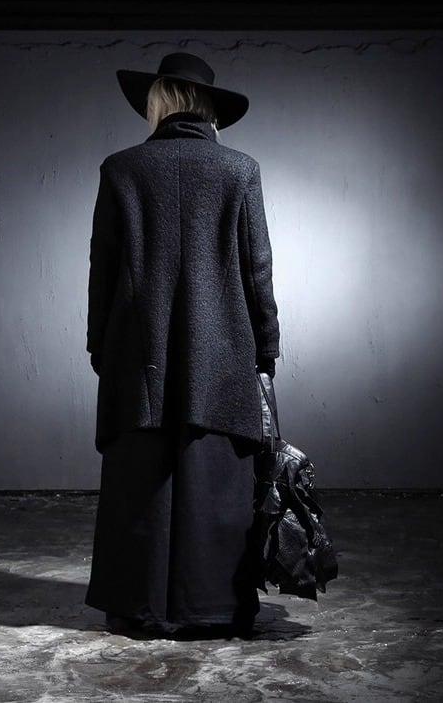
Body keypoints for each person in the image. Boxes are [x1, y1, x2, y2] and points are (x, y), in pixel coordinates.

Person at [85, 52, 279, 638]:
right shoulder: (240, 170)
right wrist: (266, 347)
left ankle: (136, 604)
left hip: (136, 352)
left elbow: (103, 268)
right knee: (214, 479)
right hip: (221, 352)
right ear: (208, 107)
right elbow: (257, 268)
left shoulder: (121, 169)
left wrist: (100, 347)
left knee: (140, 482)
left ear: (158, 102)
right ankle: (212, 606)